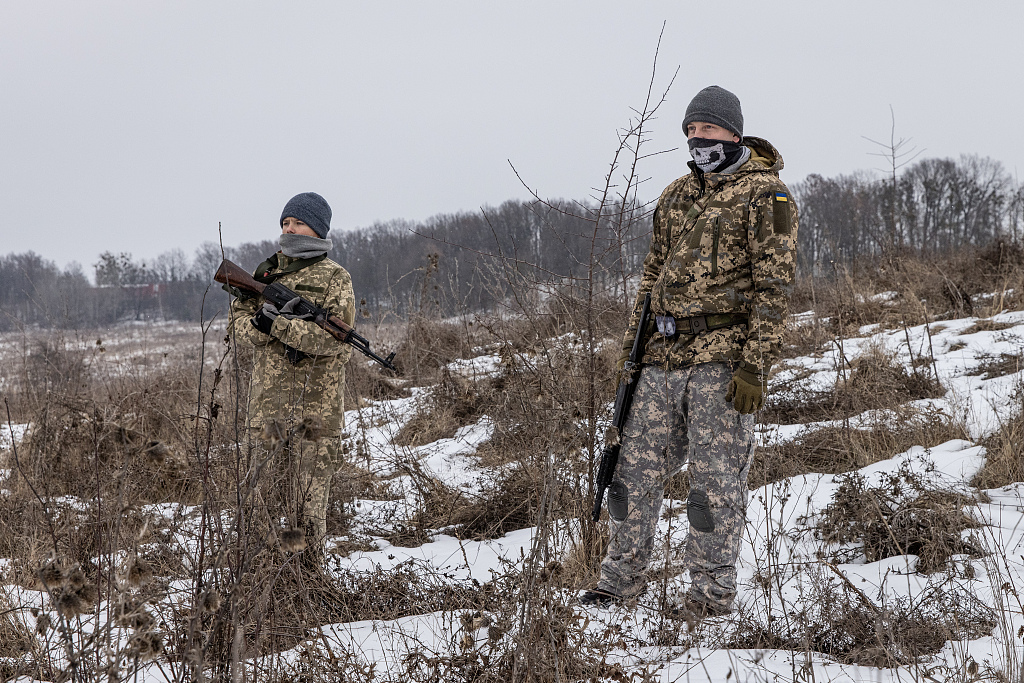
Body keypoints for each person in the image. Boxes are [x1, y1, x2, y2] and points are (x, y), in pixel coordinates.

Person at [580, 86, 799, 618]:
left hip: (722, 358)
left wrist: (755, 365)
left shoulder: (767, 196)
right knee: (631, 471)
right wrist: (633, 352)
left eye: (707, 128)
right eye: (690, 130)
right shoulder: (677, 194)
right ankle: (620, 580)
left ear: (733, 132)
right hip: (661, 355)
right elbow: (652, 274)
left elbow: (774, 289)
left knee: (714, 481)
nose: (697, 138)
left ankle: (710, 595)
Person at [228, 191, 356, 563]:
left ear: (317, 229)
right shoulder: (265, 273)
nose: (289, 228)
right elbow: (239, 329)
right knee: (258, 504)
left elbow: (336, 342)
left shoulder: (336, 278)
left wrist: (279, 325)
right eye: (285, 222)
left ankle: (309, 586)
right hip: (267, 408)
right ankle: (257, 580)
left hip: (316, 413)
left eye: (298, 222)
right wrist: (262, 324)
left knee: (309, 510)